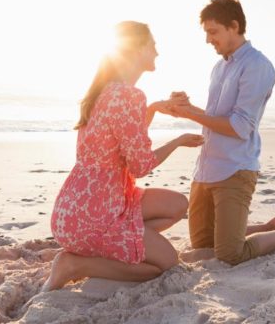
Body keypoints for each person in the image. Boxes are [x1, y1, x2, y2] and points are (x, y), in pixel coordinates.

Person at [42, 21, 203, 291]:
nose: (157, 52)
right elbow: (140, 165)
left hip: (73, 208)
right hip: (98, 214)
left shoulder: (103, 91)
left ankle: (125, 243)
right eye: (153, 45)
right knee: (166, 264)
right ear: (137, 49)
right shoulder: (129, 95)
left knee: (177, 204)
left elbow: (122, 141)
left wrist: (152, 109)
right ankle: (75, 265)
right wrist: (177, 141)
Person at [171, 0, 275, 265]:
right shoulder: (219, 67)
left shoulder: (257, 66)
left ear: (234, 26)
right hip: (206, 168)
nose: (209, 40)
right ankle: (266, 226)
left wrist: (191, 113)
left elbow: (240, 127)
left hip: (235, 169)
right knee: (203, 244)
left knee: (230, 254)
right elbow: (215, 117)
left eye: (213, 32)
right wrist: (186, 107)